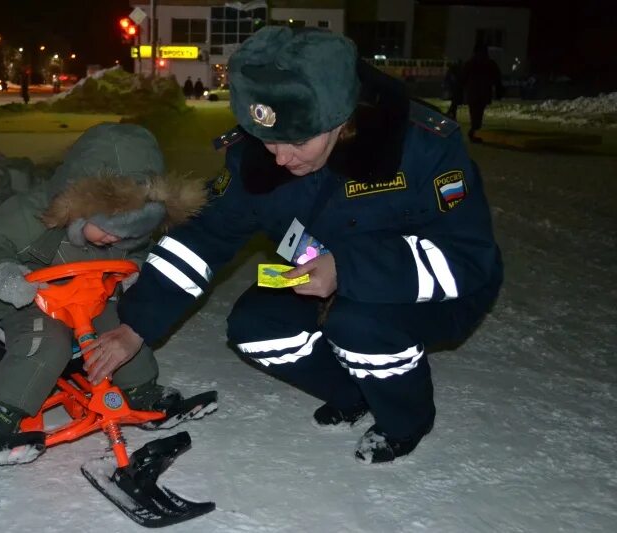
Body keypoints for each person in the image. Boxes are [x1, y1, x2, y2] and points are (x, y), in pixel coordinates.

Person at [86, 27, 502, 465]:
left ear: (343, 118)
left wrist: (346, 269)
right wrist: (136, 325)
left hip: (423, 283)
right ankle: (353, 393)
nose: (280, 158)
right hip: (317, 269)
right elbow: (202, 237)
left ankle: (404, 420)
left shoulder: (423, 147)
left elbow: (468, 259)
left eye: (299, 142)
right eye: (269, 140)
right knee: (254, 328)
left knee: (358, 327)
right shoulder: (261, 155)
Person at [0, 123, 207, 469]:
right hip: (32, 299)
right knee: (48, 342)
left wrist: (132, 276)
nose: (114, 240)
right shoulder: (32, 214)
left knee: (124, 326)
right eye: (108, 229)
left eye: (129, 233)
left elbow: (136, 257)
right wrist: (4, 274)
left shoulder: (124, 237)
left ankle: (141, 390)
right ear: (79, 204)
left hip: (92, 299)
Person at [460, 40, 503, 143]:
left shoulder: (470, 63)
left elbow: (462, 78)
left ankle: (474, 131)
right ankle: (475, 131)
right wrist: (499, 91)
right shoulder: (490, 63)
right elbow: (497, 79)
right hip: (484, 93)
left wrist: (462, 90)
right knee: (479, 113)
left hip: (473, 93)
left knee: (474, 113)